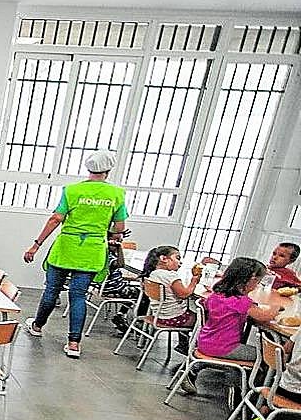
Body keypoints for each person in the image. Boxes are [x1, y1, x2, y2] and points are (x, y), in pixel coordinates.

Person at [22, 149, 128, 359]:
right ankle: (73, 344)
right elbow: (119, 227)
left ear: (88, 168)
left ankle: (37, 326)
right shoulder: (117, 194)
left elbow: (55, 219)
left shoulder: (71, 191)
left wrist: (36, 245)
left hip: (66, 247)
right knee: (78, 296)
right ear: (108, 170)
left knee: (51, 290)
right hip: (91, 251)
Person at [177, 257, 286, 395]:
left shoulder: (216, 295)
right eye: (258, 282)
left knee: (243, 354)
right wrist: (275, 308)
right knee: (267, 357)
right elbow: (264, 316)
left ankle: (194, 370)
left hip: (204, 341)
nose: (257, 285)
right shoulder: (241, 302)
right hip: (226, 348)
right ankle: (242, 390)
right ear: (251, 280)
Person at [237, 325, 301, 420]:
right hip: (298, 393)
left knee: (277, 393)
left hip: (284, 383)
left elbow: (285, 349)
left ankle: (258, 419)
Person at [141, 246, 200, 349]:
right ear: (164, 259)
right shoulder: (171, 276)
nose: (180, 263)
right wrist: (194, 280)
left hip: (159, 316)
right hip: (173, 318)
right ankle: (191, 348)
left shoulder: (153, 274)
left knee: (191, 312)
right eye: (177, 258)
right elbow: (184, 294)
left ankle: (184, 343)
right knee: (203, 318)